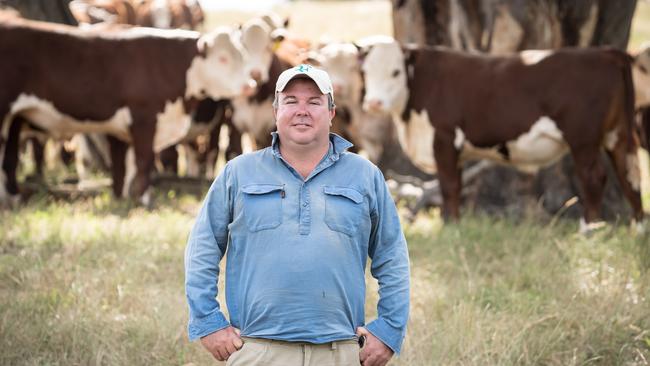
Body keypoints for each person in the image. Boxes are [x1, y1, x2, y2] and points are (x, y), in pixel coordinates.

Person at [184, 64, 410, 366]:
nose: (302, 110)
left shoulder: (364, 176)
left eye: (314, 101)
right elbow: (201, 250)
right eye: (291, 101)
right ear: (276, 109)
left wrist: (388, 330)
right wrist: (208, 322)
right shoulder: (238, 173)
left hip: (340, 352)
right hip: (256, 350)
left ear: (331, 112)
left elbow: (393, 257)